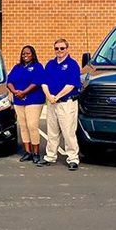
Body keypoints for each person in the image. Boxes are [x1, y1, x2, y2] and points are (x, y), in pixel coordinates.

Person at [36, 38, 82, 171]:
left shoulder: (72, 64)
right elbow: (44, 82)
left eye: (62, 48)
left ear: (67, 49)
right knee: (52, 132)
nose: (59, 51)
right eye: (57, 48)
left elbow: (71, 84)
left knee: (68, 133)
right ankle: (50, 156)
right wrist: (49, 96)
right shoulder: (50, 64)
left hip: (66, 103)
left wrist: (57, 96)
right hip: (52, 103)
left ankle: (73, 158)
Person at [6, 45, 45, 163]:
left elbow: (37, 82)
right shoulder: (17, 67)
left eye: (28, 53)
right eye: (23, 54)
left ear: (33, 54)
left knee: (32, 125)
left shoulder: (38, 67)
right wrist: (15, 92)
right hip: (19, 100)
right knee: (23, 126)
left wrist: (24, 92)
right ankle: (27, 152)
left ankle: (36, 153)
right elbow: (9, 81)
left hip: (34, 100)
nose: (25, 55)